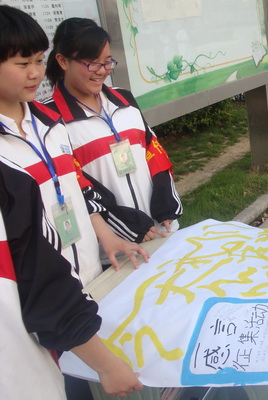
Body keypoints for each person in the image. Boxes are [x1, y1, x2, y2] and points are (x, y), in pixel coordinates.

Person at [0, 155, 143, 399]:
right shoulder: (9, 178)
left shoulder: (10, 178)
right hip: (25, 372)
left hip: (88, 293)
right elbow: (43, 283)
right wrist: (107, 366)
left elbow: (81, 187)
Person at [45, 18, 183, 246]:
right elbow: (75, 185)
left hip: (163, 229)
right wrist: (125, 225)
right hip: (116, 247)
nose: (102, 71)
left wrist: (167, 203)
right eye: (92, 63)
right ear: (63, 61)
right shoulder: (49, 120)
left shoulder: (124, 99)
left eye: (107, 62)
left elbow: (153, 148)